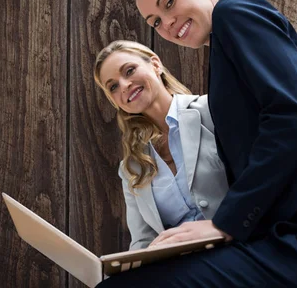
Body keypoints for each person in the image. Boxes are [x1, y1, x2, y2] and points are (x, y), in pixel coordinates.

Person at [97, 0, 297, 287]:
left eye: (169, 2)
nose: (167, 22)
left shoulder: (234, 11)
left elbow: (293, 119)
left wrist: (225, 223)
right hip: (288, 233)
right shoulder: (222, 51)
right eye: (155, 21)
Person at [94, 40, 229, 250]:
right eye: (113, 86)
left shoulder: (214, 112)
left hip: (236, 245)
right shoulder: (130, 169)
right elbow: (142, 241)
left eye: (129, 71)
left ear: (155, 65)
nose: (124, 85)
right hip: (178, 265)